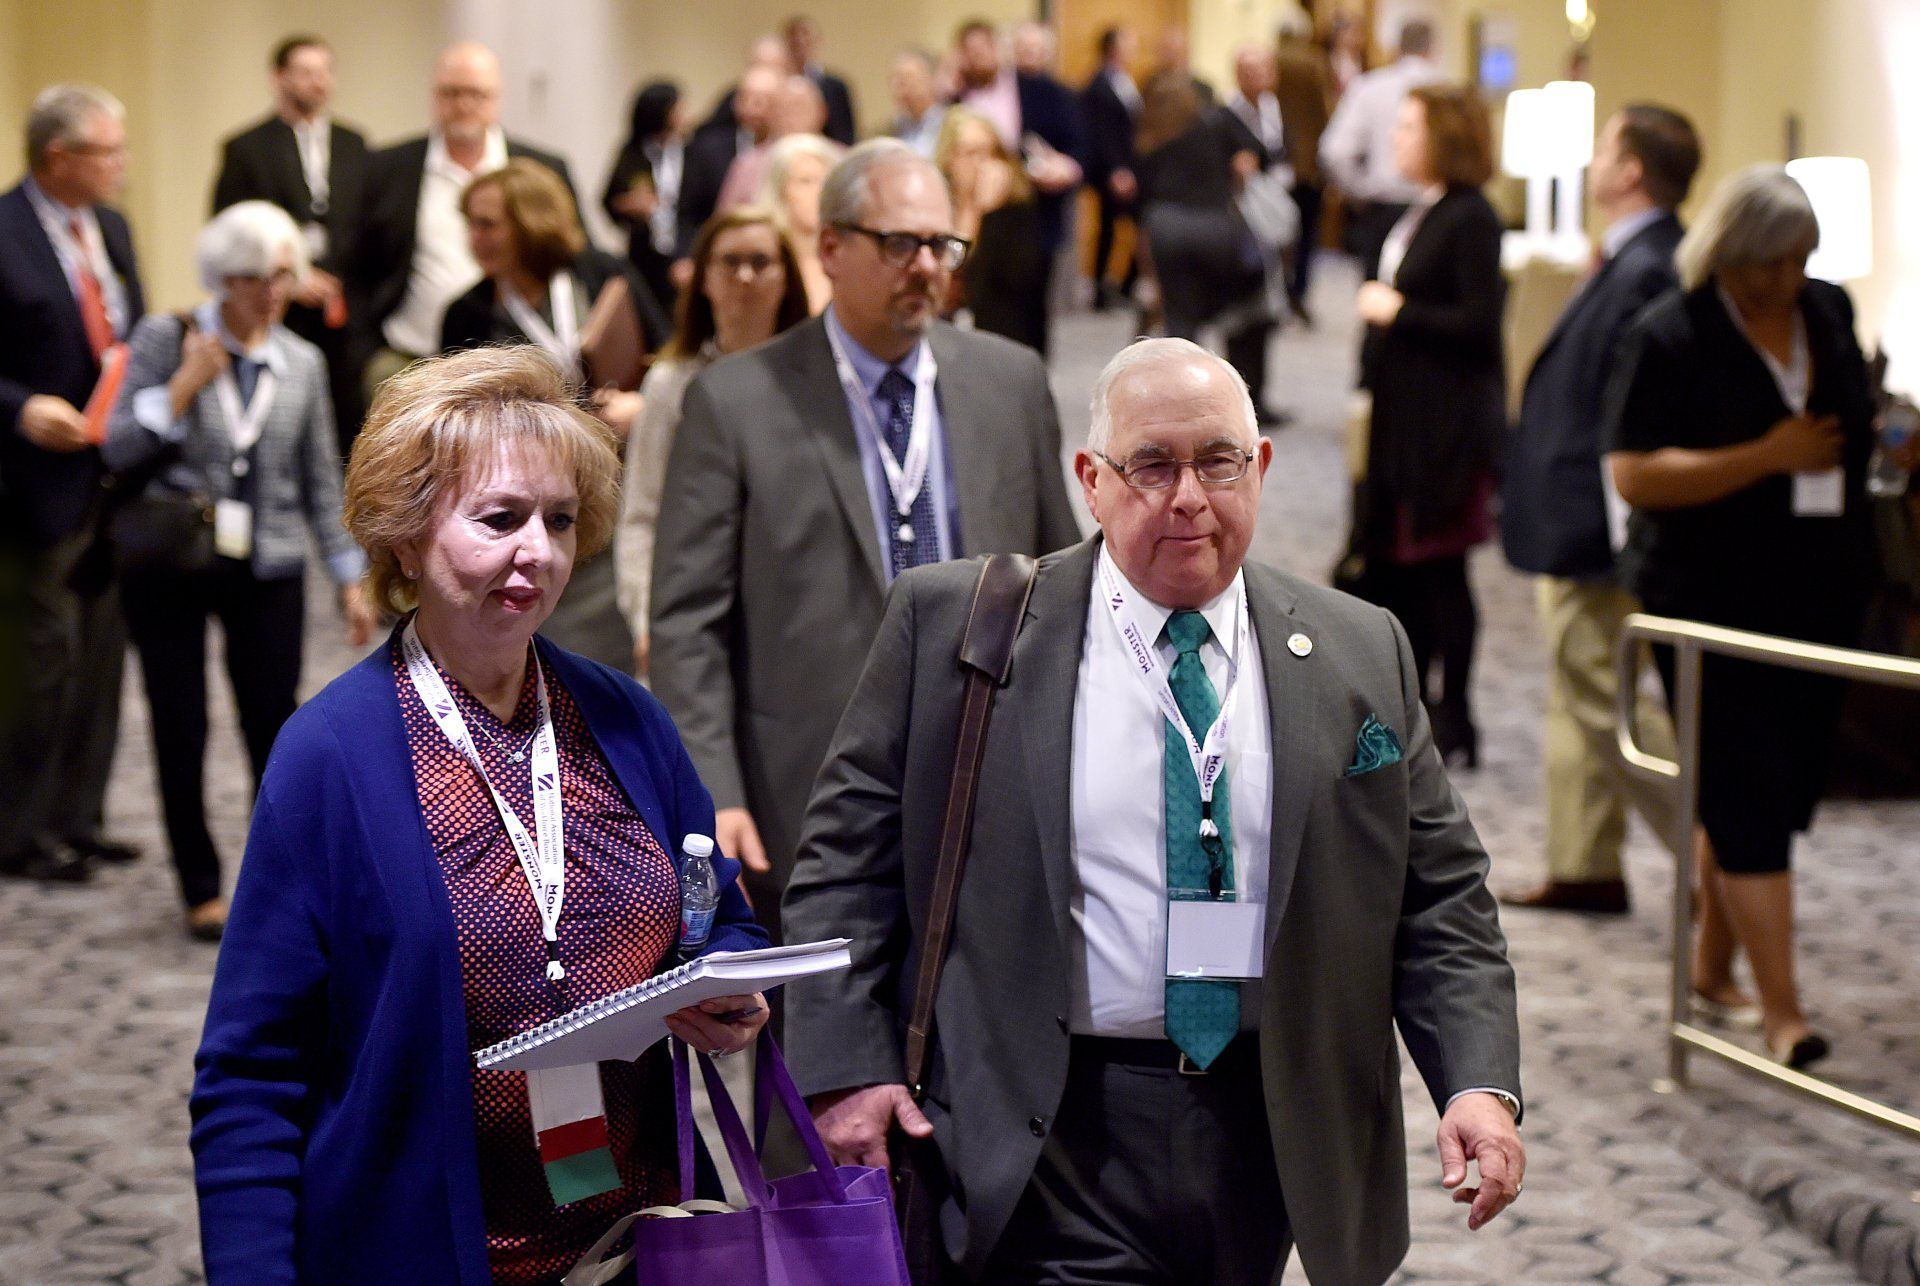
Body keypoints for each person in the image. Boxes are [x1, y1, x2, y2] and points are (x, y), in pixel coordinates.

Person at [783, 337, 1524, 1283]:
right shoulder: (959, 630)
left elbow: (1441, 896)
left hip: (1269, 1128)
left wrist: (1478, 1081)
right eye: (1151, 465)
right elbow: (846, 864)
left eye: (1217, 461)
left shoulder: (1356, 648)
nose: (1188, 496)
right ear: (1091, 480)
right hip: (1047, 1122)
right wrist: (847, 1066)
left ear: (1258, 467)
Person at [190, 346, 770, 1282]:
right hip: (424, 1249)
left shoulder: (626, 719)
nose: (536, 552)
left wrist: (727, 981)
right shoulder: (330, 757)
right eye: (499, 518)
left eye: (560, 520)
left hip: (636, 1243)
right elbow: (250, 1077)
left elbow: (716, 916)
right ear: (407, 534)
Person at [649, 139, 1082, 936]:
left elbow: (1063, 578)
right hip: (807, 785)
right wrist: (716, 789)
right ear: (830, 248)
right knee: (814, 1038)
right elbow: (687, 623)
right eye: (899, 244)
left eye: (941, 245)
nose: (926, 266)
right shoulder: (735, 403)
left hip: (985, 768)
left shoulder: (1009, 381)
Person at [1603, 166, 1891, 1068]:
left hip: (1820, 589)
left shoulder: (1829, 312)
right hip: (1707, 599)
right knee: (1746, 790)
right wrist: (1765, 456)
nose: (1788, 279)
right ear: (1730, 254)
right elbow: (1635, 474)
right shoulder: (1671, 333)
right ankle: (1784, 1015)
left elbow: (1852, 422)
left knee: (1779, 782)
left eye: (1802, 259)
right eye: (1771, 261)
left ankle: (1709, 969)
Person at [105, 201, 374, 940]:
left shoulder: (302, 361)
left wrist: (350, 576)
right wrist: (187, 383)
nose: (272, 293)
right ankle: (199, 885)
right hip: (174, 562)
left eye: (282, 276)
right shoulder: (168, 338)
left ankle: (278, 881)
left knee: (274, 725)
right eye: (256, 279)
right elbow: (119, 443)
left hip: (271, 562)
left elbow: (322, 477)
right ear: (222, 279)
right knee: (179, 720)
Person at [1500, 105, 1702, 916]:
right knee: (1573, 689)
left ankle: (1713, 859)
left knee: (1604, 697)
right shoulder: (1631, 257)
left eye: (1604, 148)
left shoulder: (1652, 265)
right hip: (1573, 513)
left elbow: (1629, 415)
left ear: (1631, 173)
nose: (1590, 162)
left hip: (1597, 520)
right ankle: (1586, 865)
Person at [441, 159, 670, 673]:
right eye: (470, 225)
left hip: (617, 480)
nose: (473, 239)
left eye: (487, 224)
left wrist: (643, 405)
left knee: (611, 650)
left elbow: (667, 357)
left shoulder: (601, 272)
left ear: (528, 222)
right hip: (526, 497)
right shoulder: (467, 312)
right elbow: (458, 419)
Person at [0, 84, 146, 886]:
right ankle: (19, 828)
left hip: (111, 478)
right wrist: (22, 410)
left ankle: (79, 818)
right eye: (108, 153)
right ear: (60, 159)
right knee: (44, 657)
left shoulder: (111, 229)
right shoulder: (5, 232)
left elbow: (128, 333)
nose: (122, 166)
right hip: (33, 484)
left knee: (100, 657)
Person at [1351, 83, 1504, 769]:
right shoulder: (1427, 208)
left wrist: (1395, 310)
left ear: (1445, 134)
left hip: (1443, 428)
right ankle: (1412, 710)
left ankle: (1459, 712)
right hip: (1403, 417)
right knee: (1403, 569)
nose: (1396, 137)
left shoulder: (1471, 217)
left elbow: (1478, 325)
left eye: (1409, 126)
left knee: (1441, 570)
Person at [615, 208, 810, 678]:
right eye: (730, 261)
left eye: (761, 261)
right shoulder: (669, 384)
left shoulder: (817, 383)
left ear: (786, 278)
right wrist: (646, 620)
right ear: (702, 279)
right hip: (691, 615)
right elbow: (643, 515)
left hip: (793, 622)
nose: (745, 276)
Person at [345, 42, 576, 400]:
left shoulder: (542, 169)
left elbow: (570, 254)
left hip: (519, 359)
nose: (463, 105)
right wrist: (364, 353)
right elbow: (356, 266)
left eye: (476, 94)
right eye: (451, 93)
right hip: (410, 357)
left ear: (497, 98)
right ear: (434, 97)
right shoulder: (387, 169)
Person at [212, 35, 370, 454]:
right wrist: (293, 278)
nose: (317, 83)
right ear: (278, 78)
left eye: (324, 72)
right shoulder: (246, 149)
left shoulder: (355, 144)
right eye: (305, 72)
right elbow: (229, 232)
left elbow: (369, 226)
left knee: (347, 425)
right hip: (276, 309)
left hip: (343, 316)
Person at [951, 18, 1084, 303]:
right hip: (979, 215)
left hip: (1032, 213)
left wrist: (1062, 167)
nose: (977, 58)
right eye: (969, 52)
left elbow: (1076, 148)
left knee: (1028, 303)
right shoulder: (956, 97)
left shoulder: (1041, 90)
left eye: (983, 49)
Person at [1132, 76, 1264, 347]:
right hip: (1214, 225)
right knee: (1227, 309)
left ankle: (1180, 361)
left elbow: (1140, 191)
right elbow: (1261, 153)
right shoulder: (1218, 121)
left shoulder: (1152, 130)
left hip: (1166, 226)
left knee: (1178, 314)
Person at [1319, 19, 1442, 280]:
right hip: (1437, 210)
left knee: (1378, 297)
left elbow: (1333, 152)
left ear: (1397, 48)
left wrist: (1361, 190)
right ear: (1432, 48)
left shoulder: (1370, 87)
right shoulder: (1447, 89)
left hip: (1383, 207)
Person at [1222, 41, 1294, 427]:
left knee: (1267, 315)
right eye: (1249, 71)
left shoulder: (1274, 110)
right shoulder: (1224, 117)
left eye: (1264, 70)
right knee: (1243, 316)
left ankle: (1260, 397)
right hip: (1241, 229)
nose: (1257, 78)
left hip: (1272, 223)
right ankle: (1238, 401)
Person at [937, 107, 1047, 353]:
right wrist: (973, 211)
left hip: (1001, 337)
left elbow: (1016, 289)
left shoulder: (1016, 210)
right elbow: (945, 285)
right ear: (948, 158)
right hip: (943, 335)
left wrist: (990, 214)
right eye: (971, 153)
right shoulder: (934, 208)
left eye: (991, 153)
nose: (982, 165)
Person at [677, 63, 782, 263]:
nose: (752, 106)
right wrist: (686, 258)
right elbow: (688, 213)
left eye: (763, 100)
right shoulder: (706, 149)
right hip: (717, 256)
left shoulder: (790, 151)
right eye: (745, 98)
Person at [601, 81, 688, 313]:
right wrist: (628, 206)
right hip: (645, 252)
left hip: (683, 251)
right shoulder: (632, 153)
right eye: (677, 109)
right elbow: (608, 200)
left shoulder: (690, 151)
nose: (683, 115)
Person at [1274, 11, 1335, 321]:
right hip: (1309, 164)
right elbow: (1326, 113)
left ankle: (1276, 290)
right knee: (1306, 233)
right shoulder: (1314, 63)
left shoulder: (1271, 61)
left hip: (1276, 161)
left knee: (1274, 230)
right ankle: (1298, 292)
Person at [1081, 25, 1142, 311]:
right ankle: (1099, 290)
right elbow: (1102, 132)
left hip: (1129, 167)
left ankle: (1123, 285)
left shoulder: (1124, 80)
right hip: (1113, 170)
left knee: (1132, 226)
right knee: (1107, 227)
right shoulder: (1099, 84)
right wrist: (1116, 168)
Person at [760, 132, 843, 313]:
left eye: (825, 182)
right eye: (806, 182)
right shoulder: (765, 261)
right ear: (781, 191)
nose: (819, 193)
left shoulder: (847, 260)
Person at [783, 14, 857, 146]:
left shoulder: (836, 87)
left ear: (817, 41)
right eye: (795, 40)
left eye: (806, 37)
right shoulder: (778, 85)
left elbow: (846, 134)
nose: (800, 42)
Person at [889, 49, 948, 160]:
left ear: (931, 80)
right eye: (895, 79)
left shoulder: (952, 125)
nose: (898, 86)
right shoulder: (888, 131)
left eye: (907, 78)